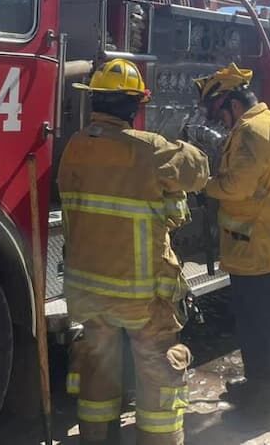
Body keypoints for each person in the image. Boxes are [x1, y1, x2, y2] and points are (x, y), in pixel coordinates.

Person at [58, 58, 210, 445]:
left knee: (97, 367)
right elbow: (199, 169)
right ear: (135, 106)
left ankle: (95, 438)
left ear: (95, 102)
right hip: (142, 296)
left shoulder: (74, 148)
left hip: (87, 291)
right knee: (159, 373)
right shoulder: (150, 149)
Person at [194, 62, 270, 431]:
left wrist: (201, 183)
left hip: (261, 247)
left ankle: (266, 407)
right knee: (252, 321)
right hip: (259, 244)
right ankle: (255, 385)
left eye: (218, 112)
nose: (219, 121)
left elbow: (236, 187)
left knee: (260, 326)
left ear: (232, 104)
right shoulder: (263, 124)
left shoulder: (253, 131)